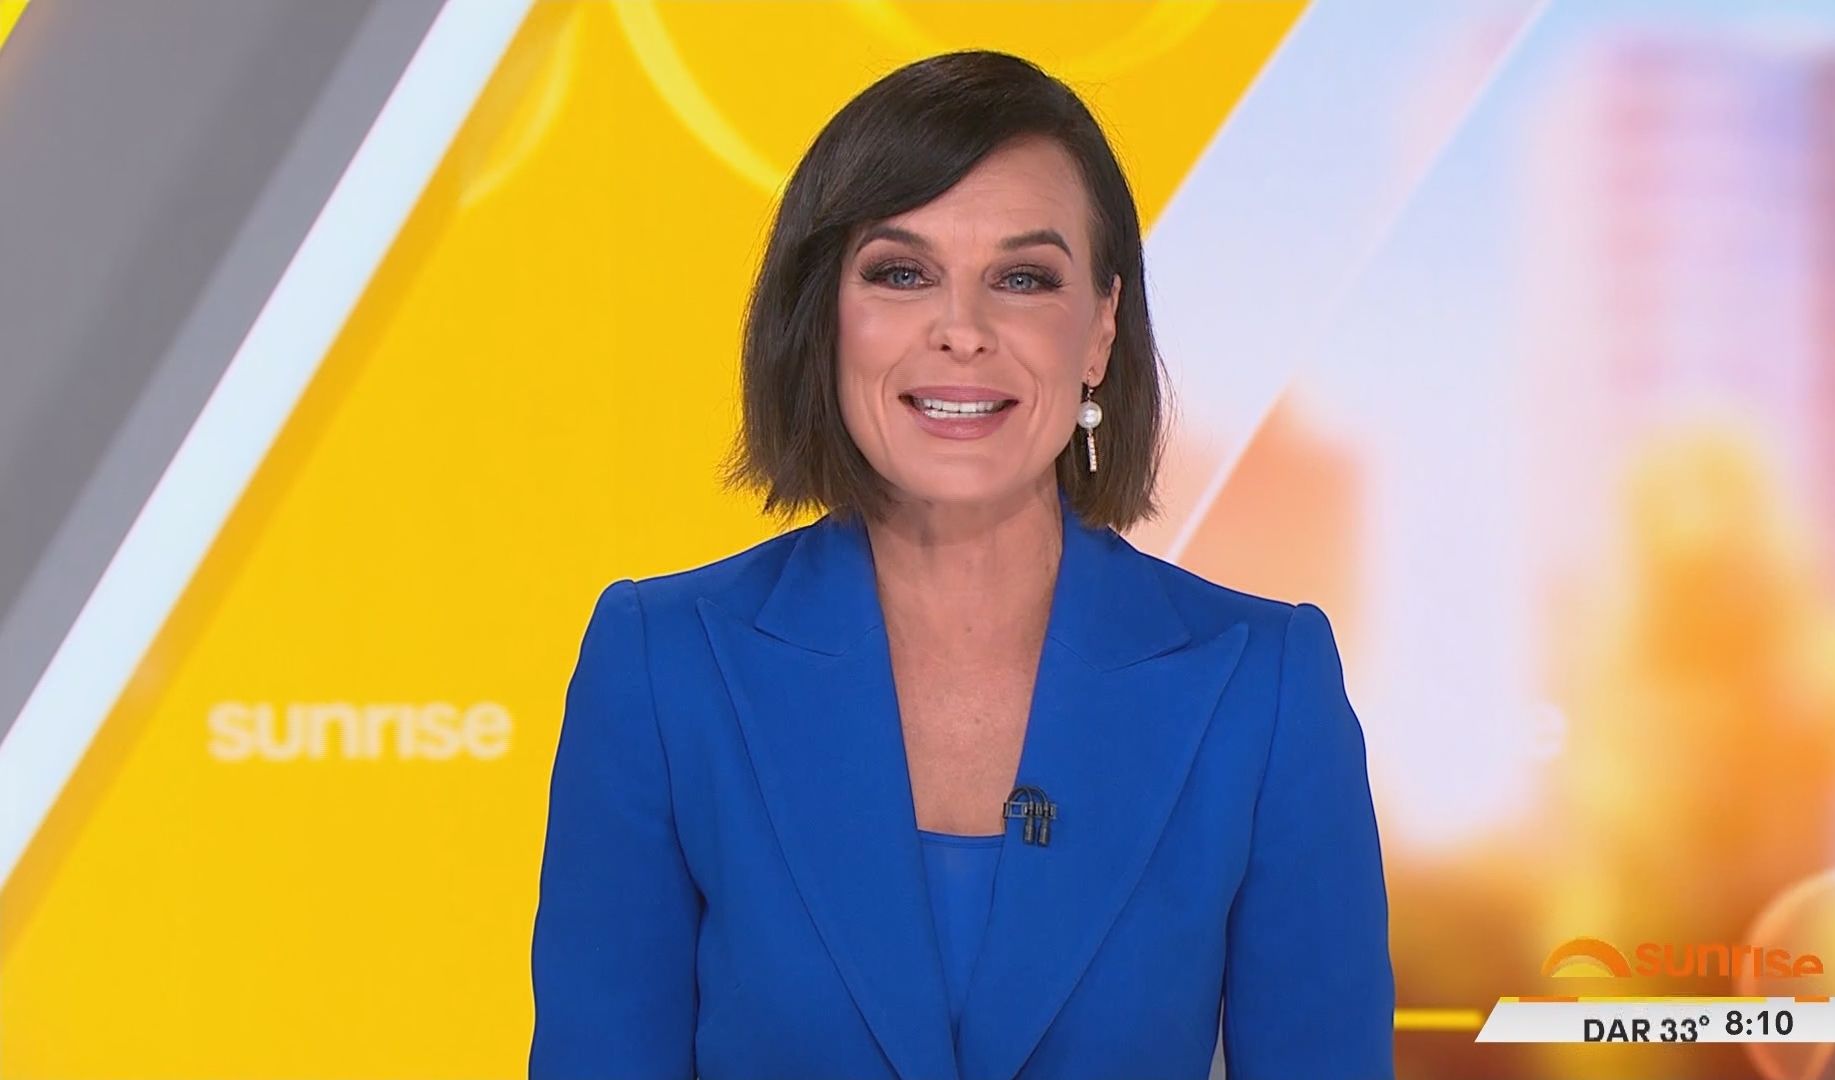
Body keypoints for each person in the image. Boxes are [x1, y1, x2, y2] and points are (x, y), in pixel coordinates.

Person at [529, 48, 1394, 1080]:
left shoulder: (1264, 684)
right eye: (902, 273)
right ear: (824, 317)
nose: (962, 333)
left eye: (1022, 279)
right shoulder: (664, 667)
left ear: (1100, 330)